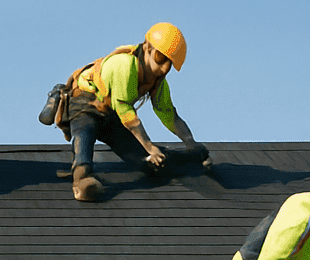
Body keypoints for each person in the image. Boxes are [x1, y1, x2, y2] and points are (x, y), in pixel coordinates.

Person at [41, 24, 207, 202]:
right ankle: (81, 179)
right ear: (147, 48)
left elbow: (168, 114)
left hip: (111, 113)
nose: (164, 68)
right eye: (160, 58)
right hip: (85, 99)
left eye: (170, 63)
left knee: (144, 159)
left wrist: (191, 144)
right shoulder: (125, 66)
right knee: (85, 128)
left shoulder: (158, 82)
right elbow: (125, 111)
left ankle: (183, 159)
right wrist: (150, 146)